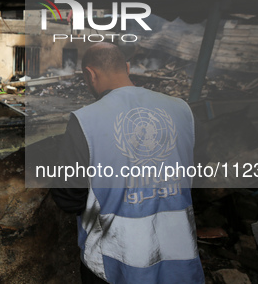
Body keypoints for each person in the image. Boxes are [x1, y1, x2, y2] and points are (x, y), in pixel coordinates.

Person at [51, 42, 206, 284]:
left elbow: (68, 197)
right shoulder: (182, 110)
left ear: (89, 74)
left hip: (115, 263)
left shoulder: (84, 121)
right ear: (128, 67)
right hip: (179, 256)